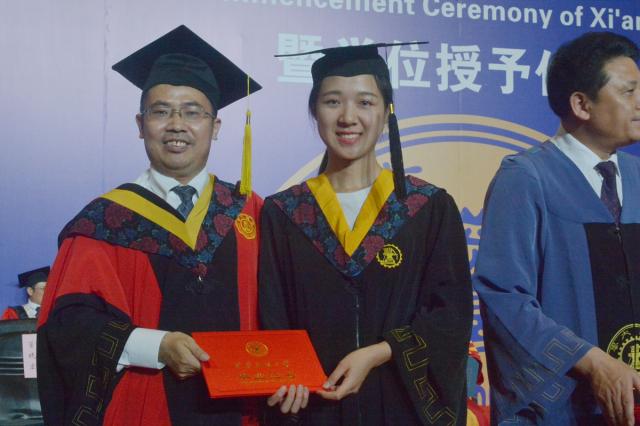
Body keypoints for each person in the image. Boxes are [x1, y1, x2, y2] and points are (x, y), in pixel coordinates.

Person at [36, 25, 264, 425]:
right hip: (142, 409)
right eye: (161, 112)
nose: (176, 124)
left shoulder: (251, 212)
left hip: (242, 409)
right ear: (141, 125)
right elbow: (67, 327)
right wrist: (155, 346)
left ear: (215, 127)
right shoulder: (105, 222)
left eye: (193, 112)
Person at [260, 44, 473, 425]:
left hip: (400, 409)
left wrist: (380, 352)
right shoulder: (284, 213)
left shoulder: (427, 208)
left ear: (387, 110)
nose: (348, 117)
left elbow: (451, 315)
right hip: (314, 410)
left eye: (365, 102)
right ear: (314, 111)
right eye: (332, 102)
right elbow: (271, 318)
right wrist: (283, 378)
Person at [473, 31, 640, 425]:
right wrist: (592, 362)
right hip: (566, 408)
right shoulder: (527, 178)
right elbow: (504, 297)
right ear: (581, 104)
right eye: (629, 91)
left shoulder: (637, 176)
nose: (639, 103)